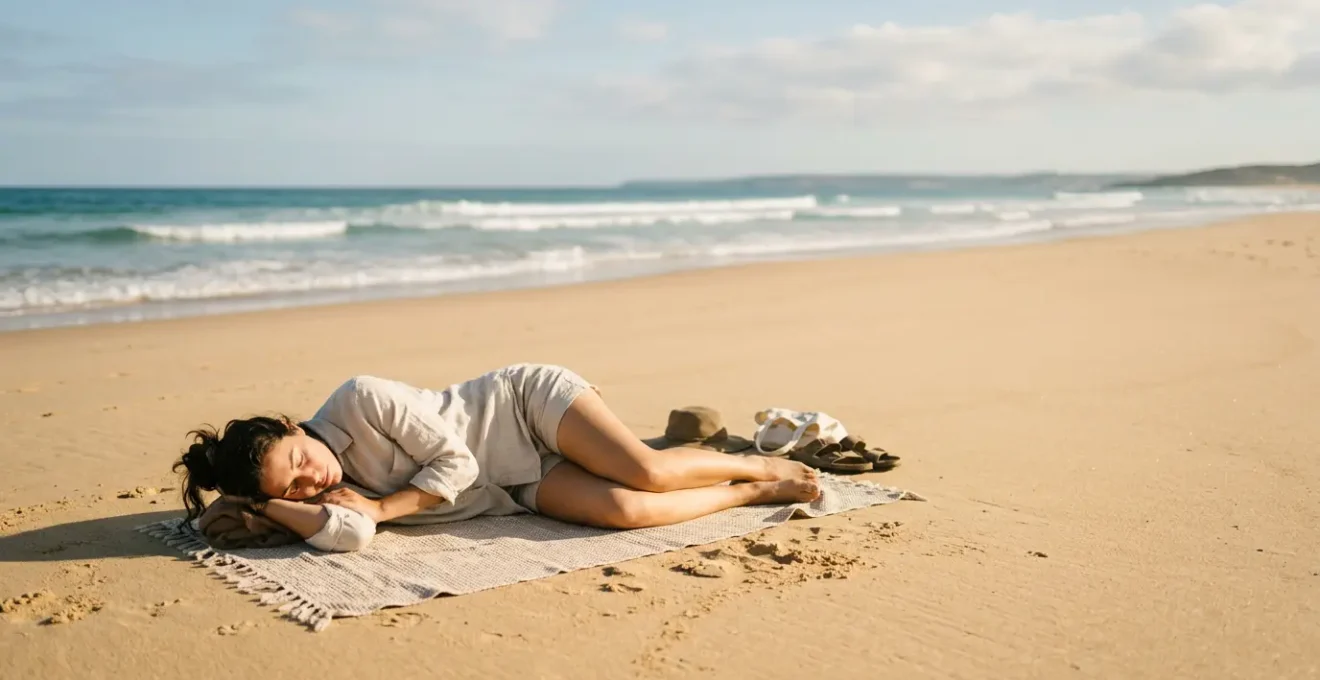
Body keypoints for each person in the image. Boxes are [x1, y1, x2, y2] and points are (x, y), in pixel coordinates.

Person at [174, 363, 820, 552]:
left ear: (293, 426)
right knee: (626, 511)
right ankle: (746, 493)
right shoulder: (312, 500)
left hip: (523, 406)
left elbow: (453, 466)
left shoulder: (359, 399)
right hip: (516, 481)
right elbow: (346, 537)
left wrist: (382, 506)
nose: (314, 480)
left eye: (300, 460)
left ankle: (761, 465)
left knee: (646, 474)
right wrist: (269, 508)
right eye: (295, 489)